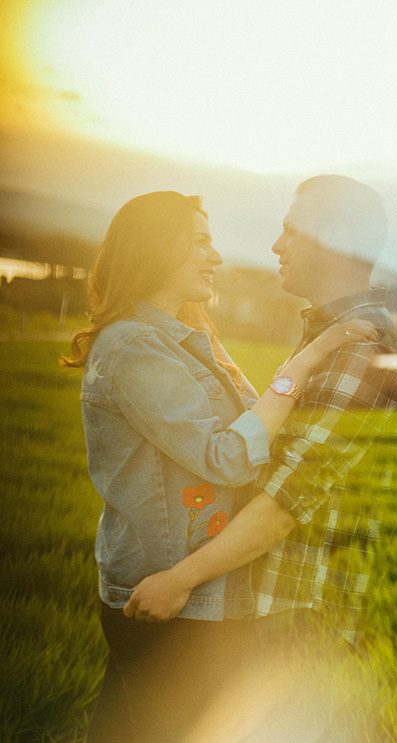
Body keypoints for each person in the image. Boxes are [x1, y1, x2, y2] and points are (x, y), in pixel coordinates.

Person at [64, 191, 376, 743]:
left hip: (184, 593)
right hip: (171, 597)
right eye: (201, 243)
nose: (217, 257)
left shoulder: (187, 337)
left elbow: (254, 423)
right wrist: (308, 359)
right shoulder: (136, 346)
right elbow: (228, 457)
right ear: (158, 251)